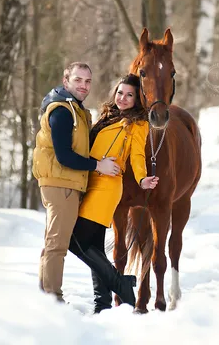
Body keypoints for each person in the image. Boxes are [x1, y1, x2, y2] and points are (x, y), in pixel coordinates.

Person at [68, 73, 159, 313]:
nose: (123, 98)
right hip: (91, 182)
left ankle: (122, 282)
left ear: (137, 99)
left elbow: (138, 155)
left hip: (106, 186)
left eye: (130, 95)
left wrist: (141, 179)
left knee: (74, 241)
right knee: (94, 246)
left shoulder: (139, 124)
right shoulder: (107, 116)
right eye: (120, 92)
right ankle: (103, 304)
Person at [32, 62, 120, 302]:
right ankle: (53, 299)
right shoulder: (62, 111)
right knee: (57, 244)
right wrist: (97, 166)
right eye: (78, 80)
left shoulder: (77, 110)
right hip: (61, 184)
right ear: (66, 80)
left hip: (67, 184)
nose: (84, 85)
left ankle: (46, 296)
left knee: (54, 241)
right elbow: (64, 155)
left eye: (88, 81)